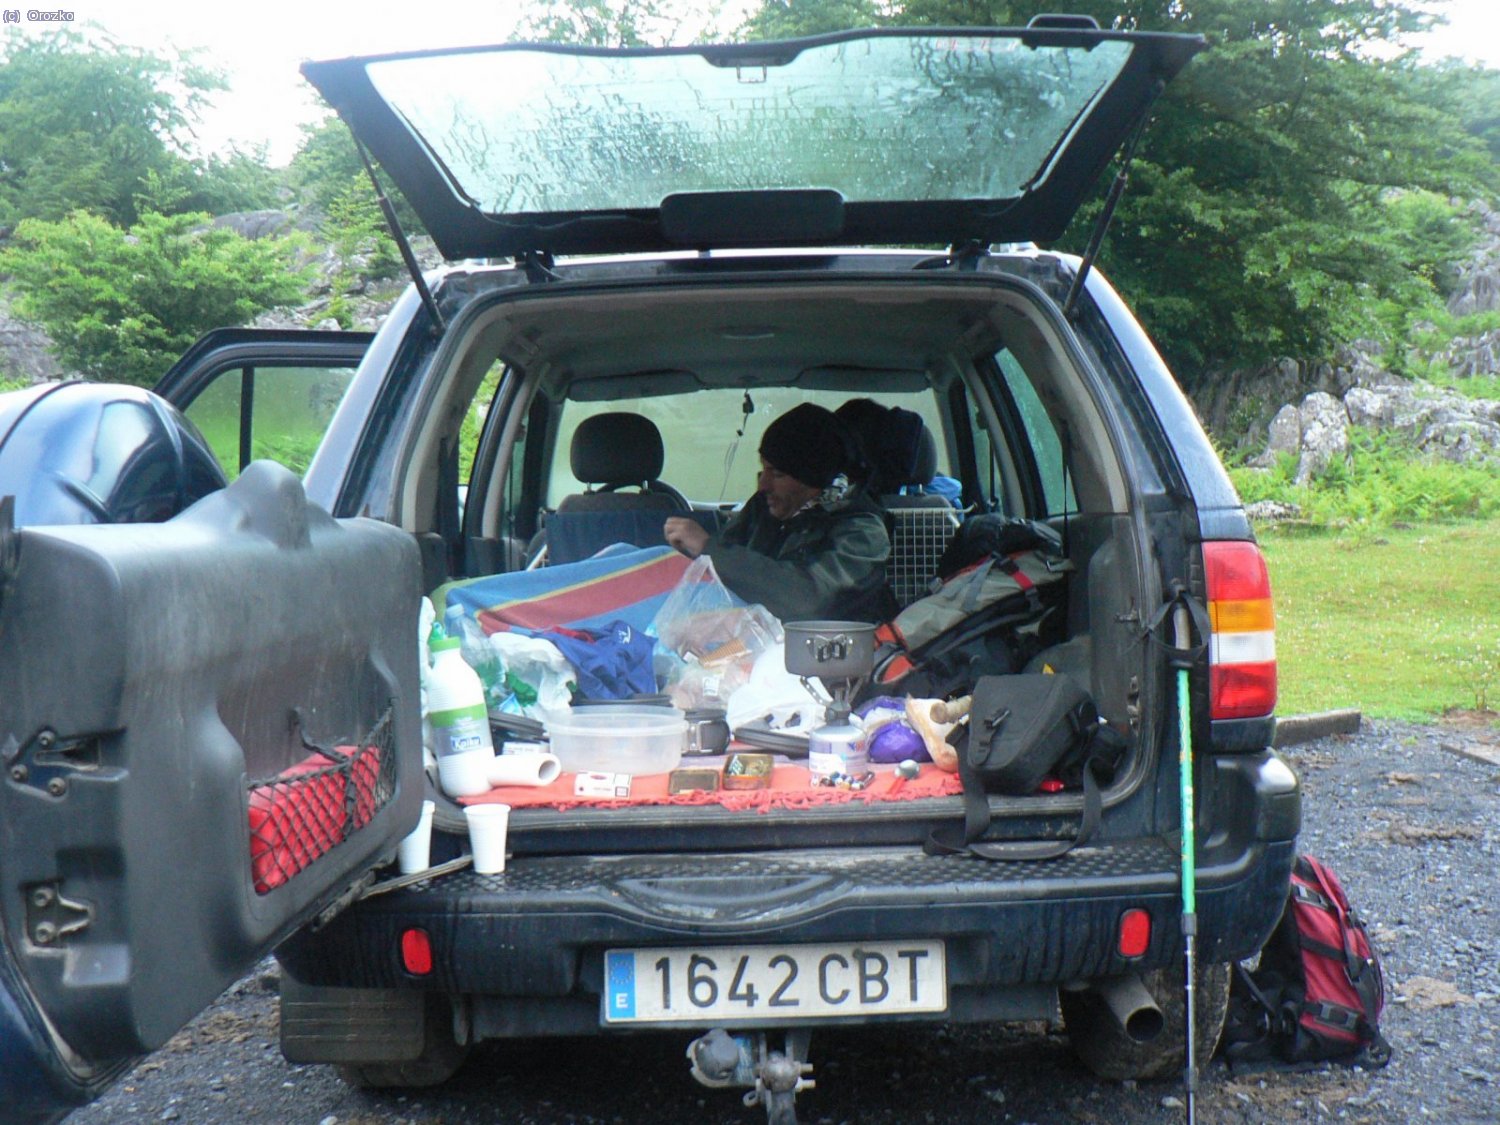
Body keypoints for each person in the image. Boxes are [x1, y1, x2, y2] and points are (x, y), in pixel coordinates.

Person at [664, 402, 896, 624]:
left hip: (831, 656)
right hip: (751, 647)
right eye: (763, 468)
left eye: (777, 474)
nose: (762, 485)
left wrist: (708, 548)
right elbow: (721, 574)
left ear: (814, 478)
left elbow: (807, 599)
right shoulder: (763, 507)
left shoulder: (863, 532)